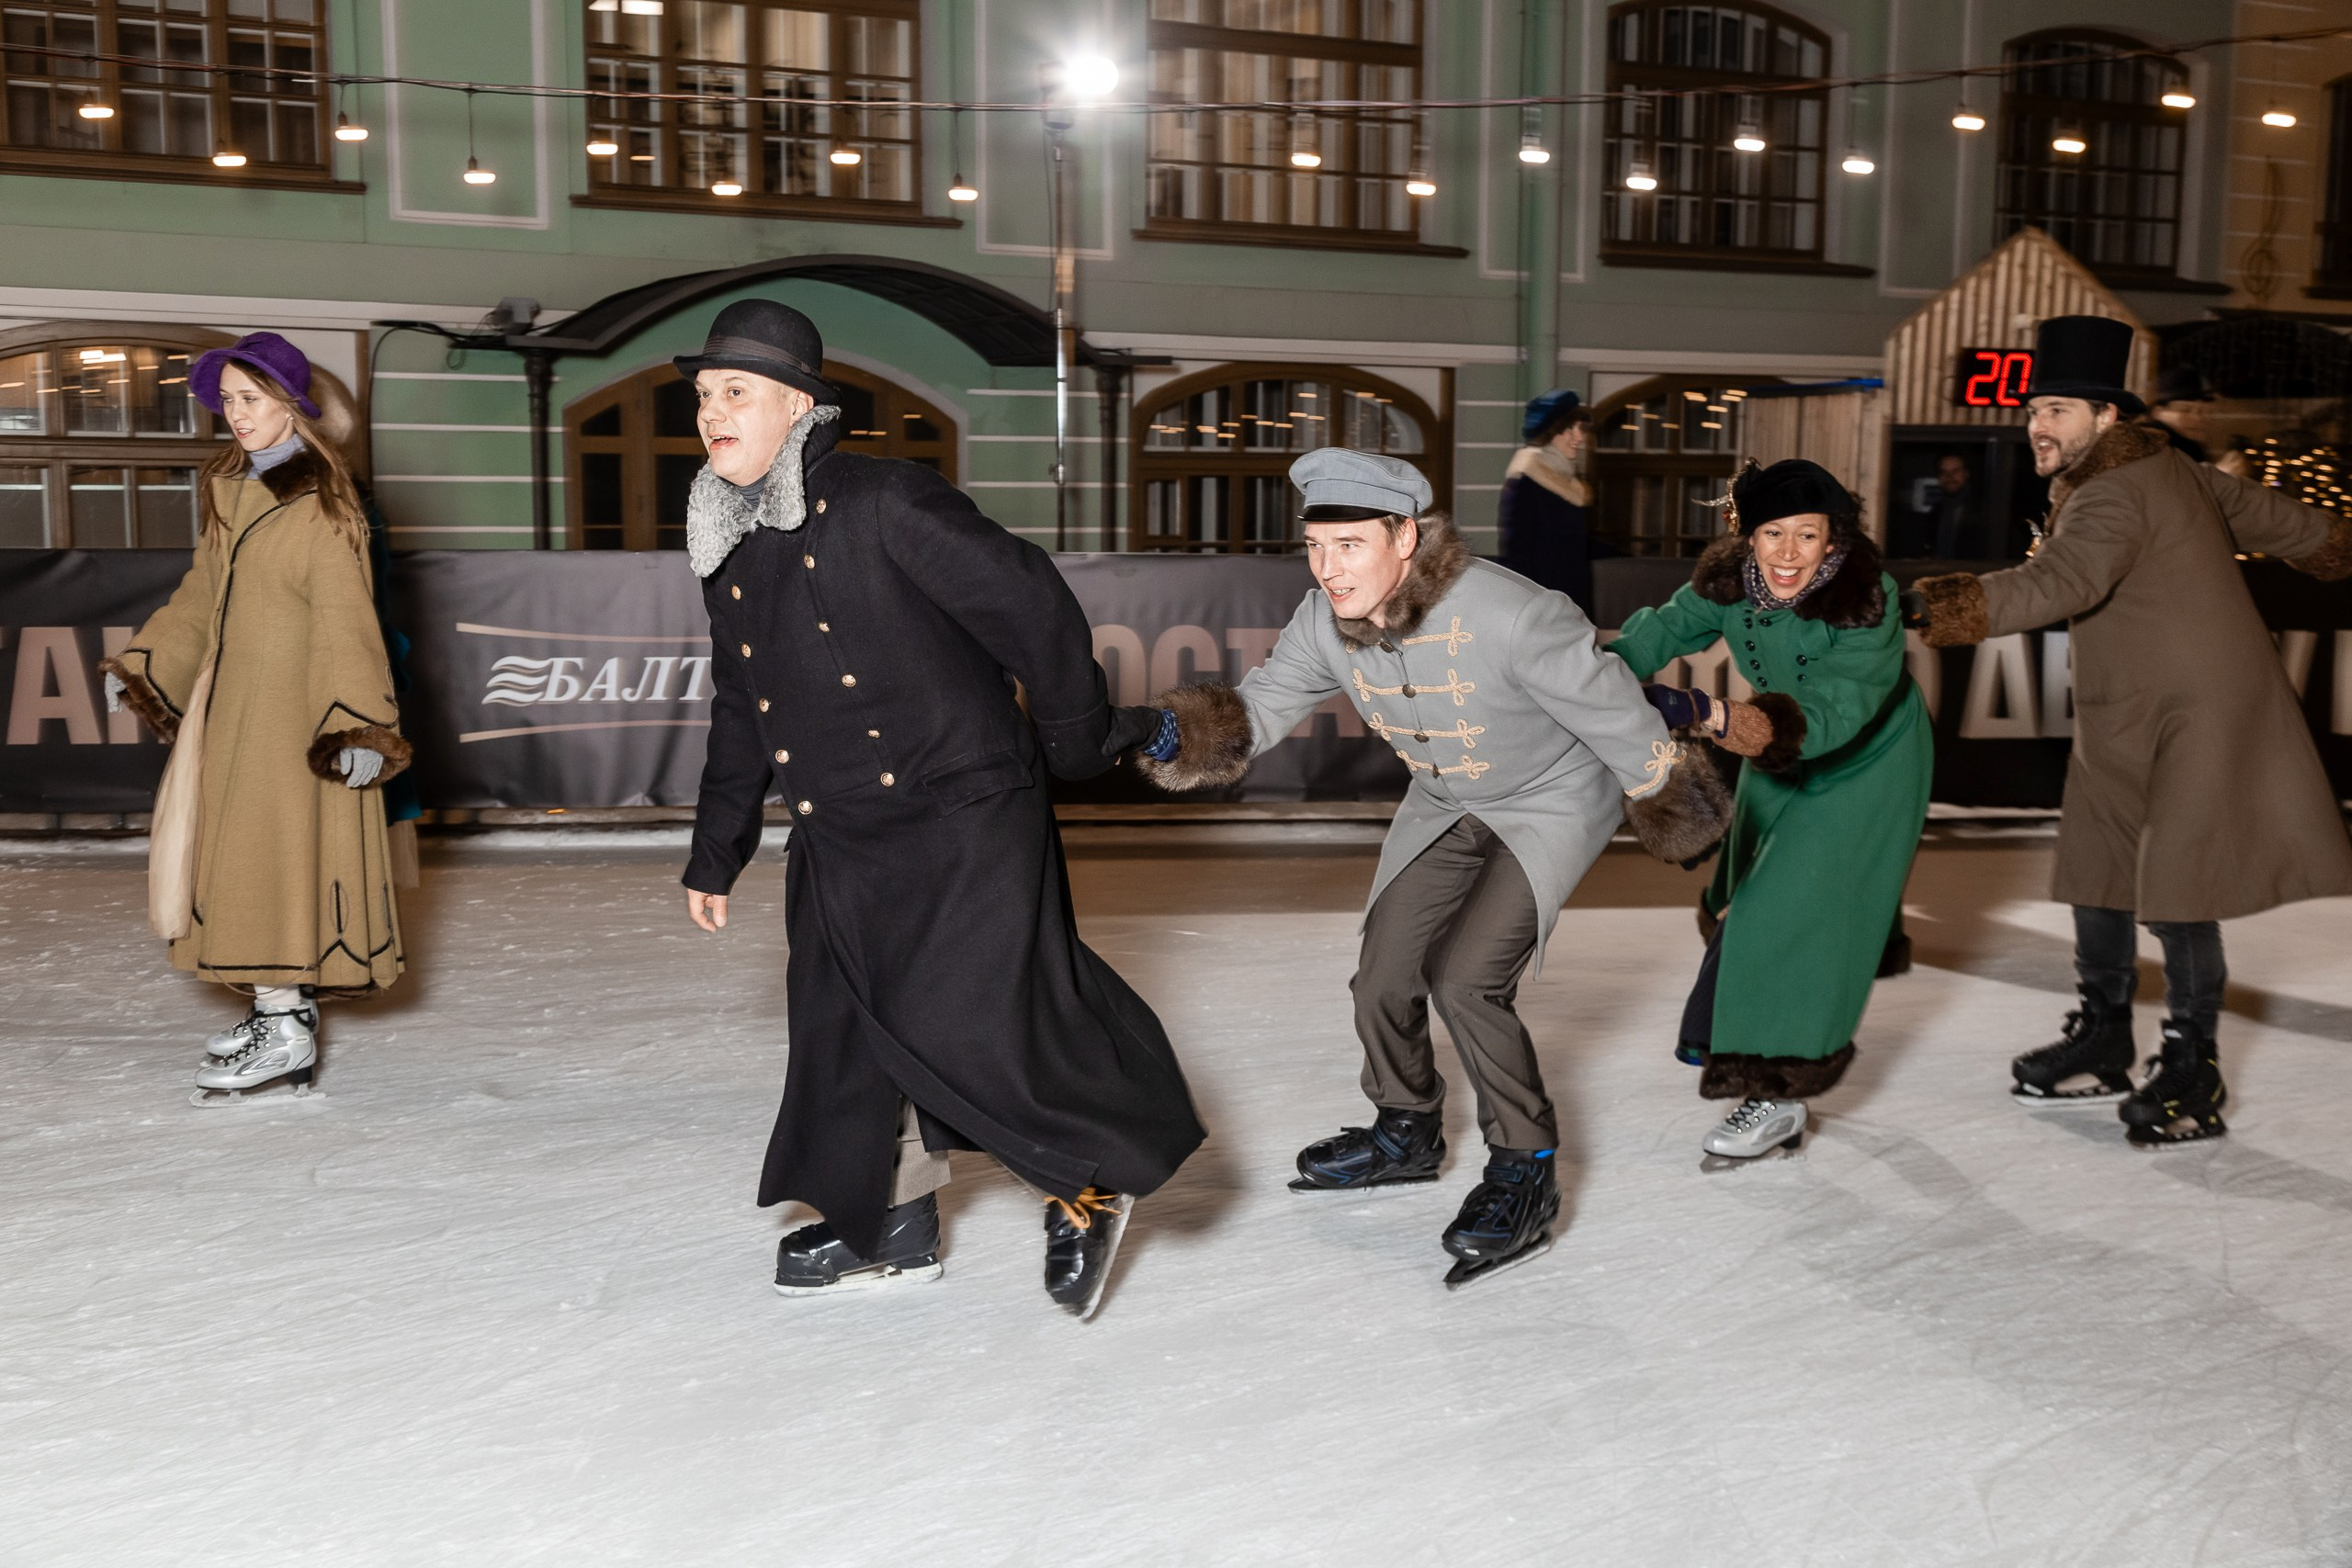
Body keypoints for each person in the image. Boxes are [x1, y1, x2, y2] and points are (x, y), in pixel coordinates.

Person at [675, 299, 1203, 1318]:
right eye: (703, 395)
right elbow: (743, 701)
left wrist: (1075, 740)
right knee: (845, 1032)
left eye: (736, 392)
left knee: (968, 1021)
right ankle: (890, 1223)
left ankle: (1092, 1182)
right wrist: (718, 845)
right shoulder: (728, 542)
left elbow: (1031, 603)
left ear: (800, 407)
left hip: (963, 808)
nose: (712, 412)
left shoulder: (887, 501)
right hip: (842, 827)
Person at [1135, 447, 1730, 1287]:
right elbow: (1263, 706)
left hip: (1556, 792)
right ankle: (1406, 1128)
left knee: (1466, 980)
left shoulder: (1512, 613)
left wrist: (1675, 804)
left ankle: (1525, 1166)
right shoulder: (1322, 618)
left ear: (1404, 537)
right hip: (1447, 797)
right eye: (1316, 546)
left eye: (1350, 547)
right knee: (1382, 974)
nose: (1328, 568)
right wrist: (1170, 733)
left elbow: (1612, 709)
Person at [1905, 315, 2352, 1146]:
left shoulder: (2115, 490)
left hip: (2196, 711)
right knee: (2098, 861)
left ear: (2107, 418)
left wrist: (1936, 604)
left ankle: (2192, 1065)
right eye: (2035, 407)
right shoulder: (2168, 466)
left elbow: (2060, 582)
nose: (2039, 425)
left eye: (2060, 409)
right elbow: (2284, 522)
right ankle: (2107, 1031)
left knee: (2180, 886)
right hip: (2125, 708)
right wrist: (2334, 541)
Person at [99, 333, 410, 1104]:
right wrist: (146, 666)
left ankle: (284, 1025)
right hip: (234, 709)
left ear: (292, 408)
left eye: (252, 398)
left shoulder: (325, 509)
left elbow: (349, 623)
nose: (236, 414)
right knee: (233, 857)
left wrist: (357, 725)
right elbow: (199, 598)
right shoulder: (231, 494)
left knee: (273, 861)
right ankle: (281, 1010)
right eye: (227, 400)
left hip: (294, 717)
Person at [1611, 459, 1933, 1163]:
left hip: (1867, 759)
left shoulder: (1863, 596)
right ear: (1747, 536)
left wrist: (1723, 715)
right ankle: (1761, 1033)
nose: (1788, 554)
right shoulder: (1730, 582)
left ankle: (1779, 1090)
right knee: (1744, 897)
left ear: (1833, 539)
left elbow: (1842, 701)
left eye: (1808, 535)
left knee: (1792, 909)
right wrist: (1595, 674)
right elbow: (1663, 630)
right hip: (1778, 749)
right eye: (1772, 534)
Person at [1497, 389, 1600, 615]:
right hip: (1544, 606)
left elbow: (1575, 544)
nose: (1579, 438)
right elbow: (1519, 554)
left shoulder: (1567, 479)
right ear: (1550, 433)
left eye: (1580, 429)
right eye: (1569, 429)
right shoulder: (1526, 480)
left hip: (1570, 600)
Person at [2145, 366, 2215, 464]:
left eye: (2203, 411)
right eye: (2186, 410)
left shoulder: (2192, 448)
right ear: (2158, 412)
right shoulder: (2147, 449)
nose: (2198, 418)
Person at [1928, 452, 1976, 559]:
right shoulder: (1935, 512)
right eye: (1943, 472)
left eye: (1955, 471)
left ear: (1966, 474)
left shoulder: (1983, 512)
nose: (1949, 477)